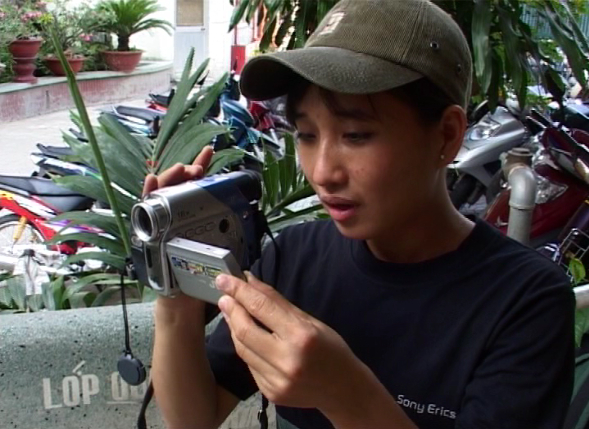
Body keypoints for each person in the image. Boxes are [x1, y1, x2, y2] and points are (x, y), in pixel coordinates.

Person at [146, 1, 575, 428]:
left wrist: (346, 394)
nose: (322, 172)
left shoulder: (526, 301)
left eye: (355, 135)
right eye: (306, 135)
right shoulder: (294, 258)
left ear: (446, 135)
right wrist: (174, 298)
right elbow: (194, 419)